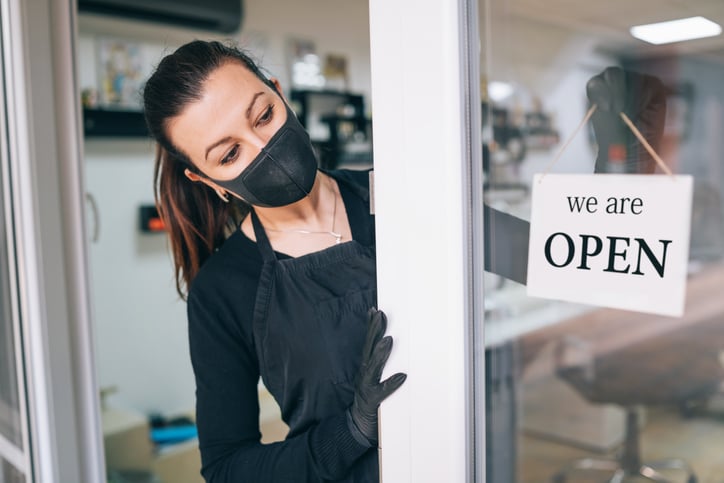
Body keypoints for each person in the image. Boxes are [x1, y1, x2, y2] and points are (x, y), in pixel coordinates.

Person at [143, 40, 405, 482]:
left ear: (279, 92)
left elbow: (528, 254)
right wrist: (351, 431)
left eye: (262, 115)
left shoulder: (397, 194)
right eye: (229, 154)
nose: (263, 147)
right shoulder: (224, 290)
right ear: (208, 181)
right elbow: (227, 469)